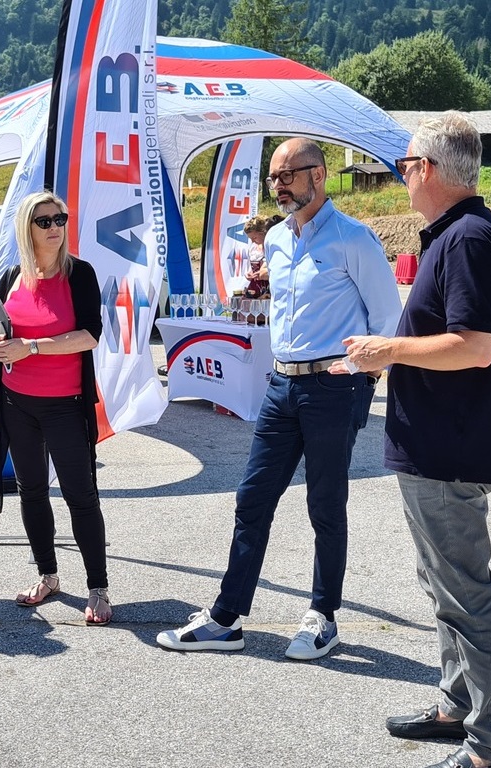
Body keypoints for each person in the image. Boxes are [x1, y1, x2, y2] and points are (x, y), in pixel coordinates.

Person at [157, 138, 402, 658]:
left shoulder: (353, 239)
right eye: (273, 177)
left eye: (288, 174)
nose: (279, 185)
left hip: (334, 387)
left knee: (325, 505)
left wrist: (361, 380)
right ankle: (227, 619)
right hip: (281, 384)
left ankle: (323, 615)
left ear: (321, 175)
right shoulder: (275, 240)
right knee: (252, 499)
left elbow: (387, 321)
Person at [336, 112, 491, 768]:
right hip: (435, 446)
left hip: (450, 450)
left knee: (467, 598)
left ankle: (489, 750)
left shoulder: (469, 237)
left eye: (404, 167)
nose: (400, 178)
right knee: (445, 591)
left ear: (431, 171)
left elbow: (475, 346)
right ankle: (456, 706)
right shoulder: (456, 233)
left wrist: (387, 350)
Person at [0, 191, 110, 625]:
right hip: (17, 404)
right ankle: (48, 576)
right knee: (31, 490)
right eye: (45, 221)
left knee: (80, 496)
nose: (55, 227)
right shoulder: (12, 275)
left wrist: (30, 347)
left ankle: (98, 588)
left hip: (65, 405)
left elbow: (89, 335)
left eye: (60, 218)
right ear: (26, 228)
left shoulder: (80, 275)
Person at [242, 215, 269, 296]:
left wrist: (263, 273)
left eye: (254, 238)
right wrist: (250, 273)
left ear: (263, 233)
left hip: (269, 286)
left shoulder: (272, 246)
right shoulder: (253, 248)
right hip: (255, 287)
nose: (253, 241)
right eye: (250, 239)